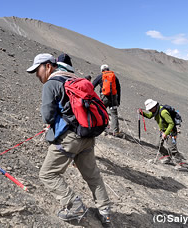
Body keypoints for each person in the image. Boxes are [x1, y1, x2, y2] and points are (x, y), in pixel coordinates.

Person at [26, 53, 111, 225]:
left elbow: (47, 116)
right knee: (92, 175)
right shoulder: (73, 79)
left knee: (47, 174)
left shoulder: (51, 84)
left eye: (38, 70)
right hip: (86, 136)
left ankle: (75, 207)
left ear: (48, 66)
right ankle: (105, 211)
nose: (37, 74)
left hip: (68, 139)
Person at [141, 99, 184, 169]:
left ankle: (179, 162)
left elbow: (171, 124)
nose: (149, 111)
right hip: (162, 131)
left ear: (154, 106)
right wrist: (142, 113)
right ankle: (167, 156)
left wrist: (166, 133)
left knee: (172, 148)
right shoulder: (155, 111)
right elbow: (149, 116)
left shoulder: (163, 112)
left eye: (150, 109)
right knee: (157, 145)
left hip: (171, 132)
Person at [92, 64, 121, 136]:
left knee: (100, 111)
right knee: (114, 114)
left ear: (102, 70)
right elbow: (118, 89)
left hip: (104, 97)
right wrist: (118, 100)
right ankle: (116, 131)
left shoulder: (101, 76)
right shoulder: (114, 77)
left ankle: (100, 127)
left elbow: (92, 85)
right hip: (113, 98)